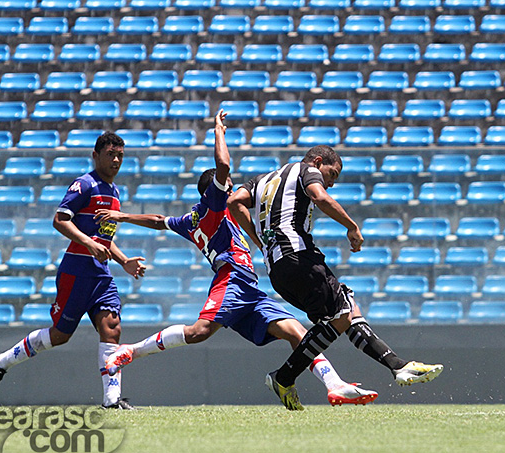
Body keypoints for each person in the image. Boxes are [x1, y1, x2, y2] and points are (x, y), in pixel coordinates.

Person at [95, 111, 377, 408]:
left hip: (249, 288)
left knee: (297, 331)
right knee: (199, 332)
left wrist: (123, 216)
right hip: (231, 278)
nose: (230, 186)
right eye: (226, 184)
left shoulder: (189, 220)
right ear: (214, 191)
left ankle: (334, 385)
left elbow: (158, 220)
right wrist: (219, 130)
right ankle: (132, 351)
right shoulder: (215, 206)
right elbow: (224, 165)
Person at [227, 145, 443, 411]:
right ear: (319, 162)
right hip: (299, 258)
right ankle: (284, 377)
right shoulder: (306, 170)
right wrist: (352, 227)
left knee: (347, 310)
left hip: (277, 269)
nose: (331, 183)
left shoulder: (261, 180)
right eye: (333, 174)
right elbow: (319, 196)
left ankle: (398, 366)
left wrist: (259, 241)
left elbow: (234, 202)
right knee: (340, 314)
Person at [0, 132, 146, 410]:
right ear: (95, 156)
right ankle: (0, 362)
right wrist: (88, 243)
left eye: (120, 155)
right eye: (110, 154)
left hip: (100, 274)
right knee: (60, 335)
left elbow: (104, 237)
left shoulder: (114, 192)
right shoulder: (84, 185)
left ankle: (111, 401)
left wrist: (124, 261)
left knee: (112, 327)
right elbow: (59, 220)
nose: (116, 160)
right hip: (77, 271)